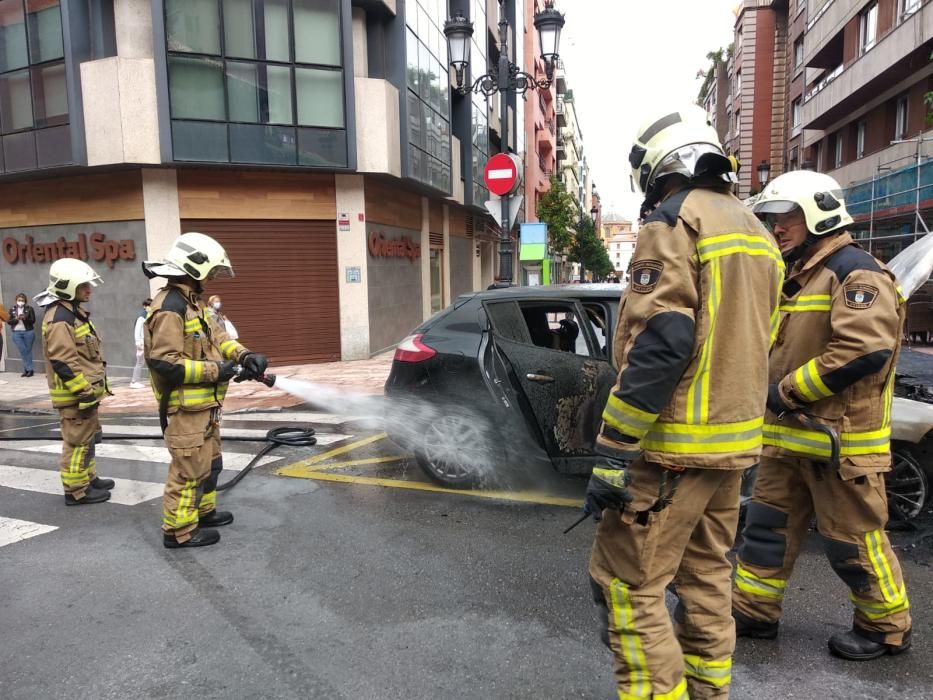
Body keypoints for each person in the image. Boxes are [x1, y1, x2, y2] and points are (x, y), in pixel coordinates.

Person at [586, 105, 783, 699]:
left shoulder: (674, 223)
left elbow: (664, 340)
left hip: (670, 451)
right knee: (705, 581)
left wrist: (614, 449)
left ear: (660, 168)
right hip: (731, 450)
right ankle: (706, 691)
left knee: (627, 585)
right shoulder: (759, 234)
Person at [732, 170, 911, 660]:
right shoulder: (800, 275)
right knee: (764, 532)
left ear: (818, 214)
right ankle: (752, 612)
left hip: (842, 446)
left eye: (784, 216)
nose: (776, 228)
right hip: (790, 441)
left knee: (852, 544)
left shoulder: (856, 273)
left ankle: (886, 627)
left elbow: (864, 351)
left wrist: (785, 393)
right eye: (770, 218)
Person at [142, 232, 268, 549]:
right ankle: (179, 531)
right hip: (184, 409)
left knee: (211, 464)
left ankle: (203, 511)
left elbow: (220, 339)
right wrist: (217, 370)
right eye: (210, 271)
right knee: (187, 471)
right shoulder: (171, 306)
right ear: (193, 268)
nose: (213, 277)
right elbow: (164, 362)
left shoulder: (194, 304)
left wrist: (245, 356)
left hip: (205, 408)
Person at [35, 260, 114, 505]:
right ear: (67, 287)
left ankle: (89, 478)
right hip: (75, 396)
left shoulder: (71, 312)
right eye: (83, 285)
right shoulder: (61, 317)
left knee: (88, 438)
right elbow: (63, 361)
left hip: (84, 394)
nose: (89, 289)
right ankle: (76, 490)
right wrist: (84, 391)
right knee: (77, 442)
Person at [8, 292, 37, 376]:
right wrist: (16, 319)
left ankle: (27, 370)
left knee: (27, 351)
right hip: (16, 333)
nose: (20, 301)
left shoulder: (29, 308)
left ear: (25, 301)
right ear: (16, 300)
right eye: (19, 300)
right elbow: (9, 321)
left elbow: (33, 320)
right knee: (23, 350)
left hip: (28, 332)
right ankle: (29, 369)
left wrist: (24, 318)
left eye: (22, 300)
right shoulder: (12, 309)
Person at [129, 298, 152, 389]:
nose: (150, 307)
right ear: (145, 306)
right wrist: (138, 342)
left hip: (146, 342)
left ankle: (136, 381)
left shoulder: (147, 315)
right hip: (142, 342)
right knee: (140, 362)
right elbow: (137, 330)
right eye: (148, 306)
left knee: (145, 361)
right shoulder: (141, 316)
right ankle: (134, 381)